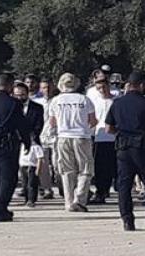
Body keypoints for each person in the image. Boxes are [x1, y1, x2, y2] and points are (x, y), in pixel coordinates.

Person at [105, 71, 145, 231]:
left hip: (123, 148)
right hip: (143, 147)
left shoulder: (117, 103)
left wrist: (122, 132)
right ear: (140, 85)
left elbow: (108, 129)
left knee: (124, 184)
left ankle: (128, 220)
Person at [0, 74, 32, 222]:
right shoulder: (13, 103)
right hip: (7, 143)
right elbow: (21, 124)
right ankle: (1, 209)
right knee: (8, 177)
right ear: (10, 85)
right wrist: (27, 141)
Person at [50, 73, 97, 212]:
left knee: (67, 171)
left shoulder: (56, 100)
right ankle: (80, 199)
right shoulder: (84, 99)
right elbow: (93, 121)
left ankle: (68, 202)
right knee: (85, 169)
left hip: (63, 136)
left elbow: (52, 123)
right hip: (82, 136)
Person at [91, 79, 117, 204]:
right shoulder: (94, 102)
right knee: (100, 166)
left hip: (115, 137)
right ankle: (101, 191)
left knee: (114, 165)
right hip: (99, 136)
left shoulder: (116, 100)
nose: (102, 90)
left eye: (104, 87)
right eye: (99, 88)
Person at [35, 77, 58, 199]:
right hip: (42, 136)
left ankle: (62, 187)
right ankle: (47, 189)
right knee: (43, 165)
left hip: (56, 136)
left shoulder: (58, 100)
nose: (47, 90)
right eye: (44, 87)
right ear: (40, 89)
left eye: (49, 87)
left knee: (58, 163)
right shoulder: (37, 102)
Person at [19, 141, 44, 207]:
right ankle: (26, 199)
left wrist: (38, 169)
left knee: (31, 184)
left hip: (32, 166)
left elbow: (40, 158)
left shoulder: (36, 147)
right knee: (24, 184)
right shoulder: (22, 146)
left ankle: (32, 200)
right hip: (23, 166)